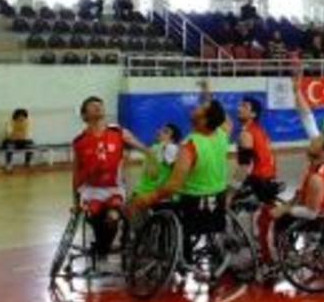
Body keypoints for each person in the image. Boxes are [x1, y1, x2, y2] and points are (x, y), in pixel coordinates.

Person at [130, 81, 233, 239]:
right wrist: (208, 93)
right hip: (217, 200)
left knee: (139, 203)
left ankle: (175, 254)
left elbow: (173, 186)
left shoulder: (190, 146)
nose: (195, 107)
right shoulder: (222, 134)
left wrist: (146, 199)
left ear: (204, 120)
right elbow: (223, 117)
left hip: (192, 203)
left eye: (200, 108)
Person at [72, 96, 148, 260]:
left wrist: (152, 155)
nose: (98, 107)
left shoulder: (118, 132)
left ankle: (102, 247)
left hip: (114, 188)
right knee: (95, 214)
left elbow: (143, 147)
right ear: (85, 116)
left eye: (100, 105)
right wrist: (75, 201)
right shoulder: (80, 142)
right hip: (91, 190)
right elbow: (76, 172)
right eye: (92, 106)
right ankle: (101, 247)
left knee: (113, 217)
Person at [261, 131, 324, 266]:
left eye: (318, 140)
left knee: (279, 219)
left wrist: (285, 210)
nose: (313, 140)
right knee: (282, 208)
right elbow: (302, 194)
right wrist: (288, 205)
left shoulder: (317, 178)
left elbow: (311, 213)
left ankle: (280, 257)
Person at [132, 123, 182, 198]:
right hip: (142, 192)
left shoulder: (170, 147)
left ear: (172, 139)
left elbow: (178, 171)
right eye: (161, 130)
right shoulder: (155, 147)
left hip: (153, 195)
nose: (160, 132)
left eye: (165, 132)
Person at [2, 108, 33, 172]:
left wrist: (18, 135)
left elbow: (27, 135)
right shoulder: (9, 122)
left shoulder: (28, 122)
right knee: (9, 145)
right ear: (15, 117)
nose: (21, 119)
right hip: (10, 141)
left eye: (23, 117)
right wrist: (19, 135)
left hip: (22, 141)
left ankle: (27, 162)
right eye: (20, 117)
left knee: (30, 144)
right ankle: (8, 164)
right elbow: (9, 135)